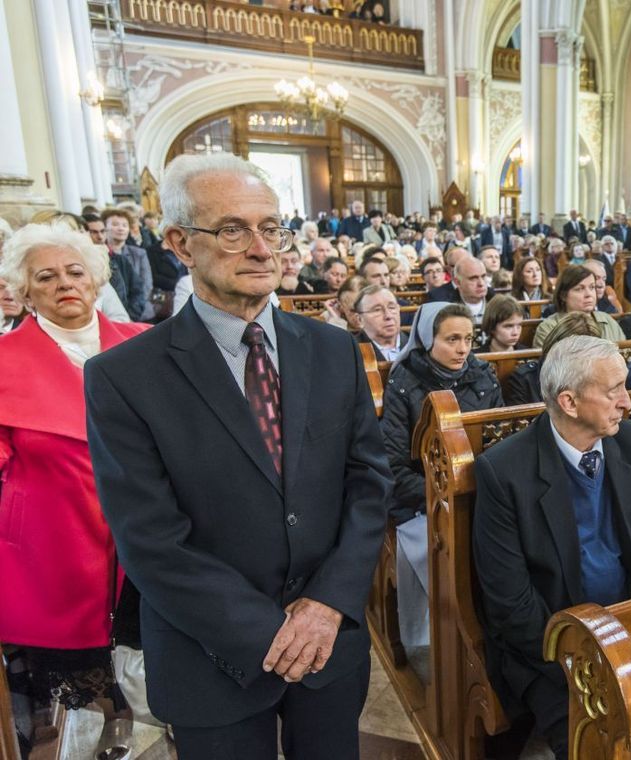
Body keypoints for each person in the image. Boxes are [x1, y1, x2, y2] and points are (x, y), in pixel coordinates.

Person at [85, 154, 391, 759]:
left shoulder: (332, 349)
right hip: (210, 655)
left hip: (331, 645)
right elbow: (150, 539)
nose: (260, 248)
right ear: (179, 243)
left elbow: (369, 486)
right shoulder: (124, 376)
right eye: (232, 230)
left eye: (271, 228)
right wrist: (272, 632)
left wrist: (328, 604)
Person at [472, 336, 631, 759]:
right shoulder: (505, 470)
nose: (627, 401)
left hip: (630, 626)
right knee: (601, 742)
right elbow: (510, 603)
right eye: (614, 390)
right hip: (549, 648)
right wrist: (582, 662)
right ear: (569, 402)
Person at [0, 222, 148, 759]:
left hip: (145, 542)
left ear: (95, 279)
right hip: (52, 550)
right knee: (74, 702)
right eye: (46, 276)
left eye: (75, 271)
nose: (64, 283)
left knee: (151, 676)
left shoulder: (143, 343)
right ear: (23, 290)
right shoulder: (4, 361)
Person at [380, 302, 502, 648]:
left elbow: (498, 442)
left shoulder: (483, 376)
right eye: (451, 339)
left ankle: (491, 636)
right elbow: (393, 463)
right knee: (442, 556)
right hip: (420, 499)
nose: (462, 348)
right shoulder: (403, 382)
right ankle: (438, 645)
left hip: (480, 494)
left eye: (468, 338)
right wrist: (443, 495)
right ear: (427, 338)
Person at [502, 312, 598, 406]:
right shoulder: (524, 379)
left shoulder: (597, 379)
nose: (580, 362)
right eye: (575, 353)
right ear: (555, 346)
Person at [533, 264, 625, 348]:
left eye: (592, 287)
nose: (589, 294)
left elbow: (626, 355)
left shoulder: (608, 321)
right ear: (563, 295)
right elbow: (548, 365)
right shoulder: (548, 328)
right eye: (579, 289)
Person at [427, 255, 489, 321]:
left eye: (483, 276)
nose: (481, 283)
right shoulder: (443, 307)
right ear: (458, 282)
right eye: (473, 278)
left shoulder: (497, 301)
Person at [354, 284, 406, 360]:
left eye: (392, 307)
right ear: (360, 320)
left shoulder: (418, 345)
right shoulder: (350, 351)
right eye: (377, 310)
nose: (388, 316)